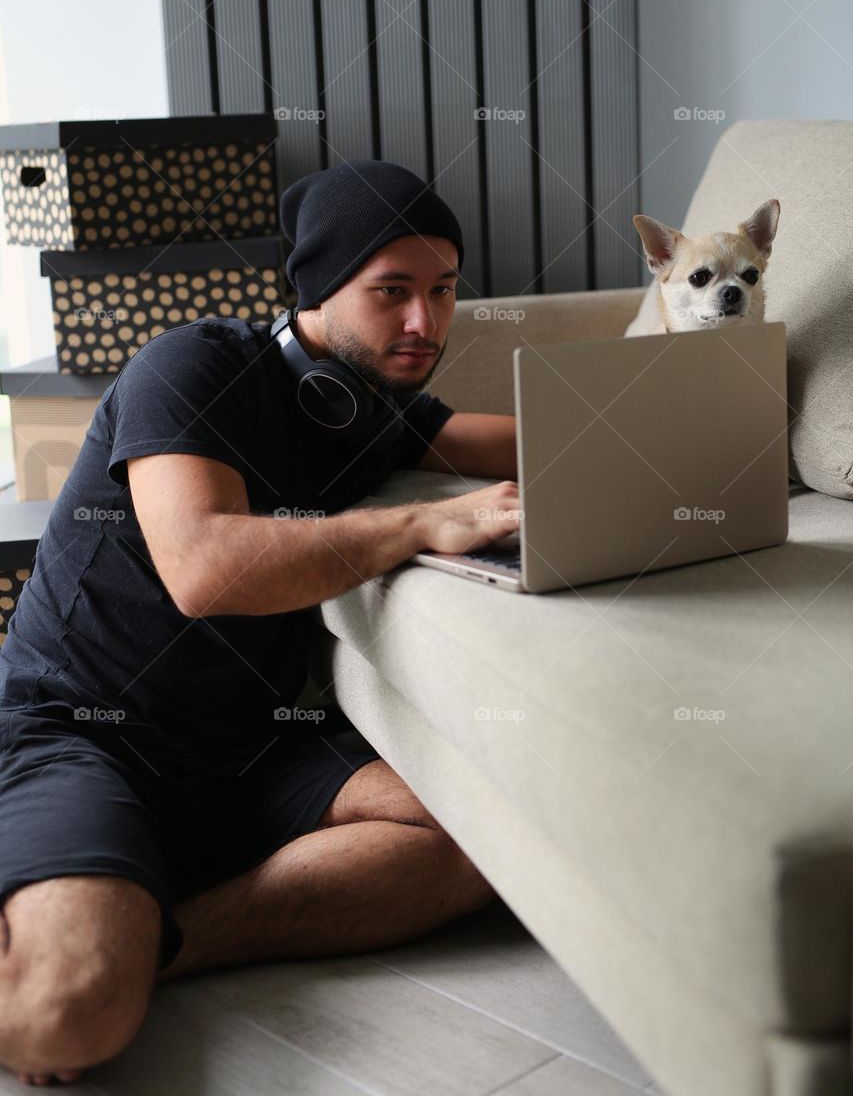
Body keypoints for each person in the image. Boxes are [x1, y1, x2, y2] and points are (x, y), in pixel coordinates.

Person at [0, 159, 520, 1084]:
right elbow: (203, 567)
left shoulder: (371, 405)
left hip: (252, 751)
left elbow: (548, 438)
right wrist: (418, 523)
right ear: (317, 288)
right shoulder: (188, 366)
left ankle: (159, 940)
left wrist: (702, 426)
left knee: (477, 836)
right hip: (84, 734)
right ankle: (96, 933)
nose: (424, 322)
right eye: (391, 291)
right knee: (65, 1021)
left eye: (443, 290)